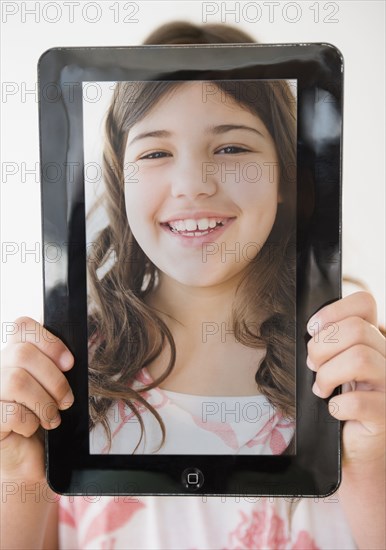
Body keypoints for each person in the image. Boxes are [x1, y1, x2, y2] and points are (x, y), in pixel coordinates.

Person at [1, 21, 385, 550]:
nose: (192, 184)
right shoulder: (65, 378)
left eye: (231, 148)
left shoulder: (358, 377)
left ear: (285, 178)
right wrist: (18, 477)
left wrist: (373, 463)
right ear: (120, 180)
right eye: (155, 153)